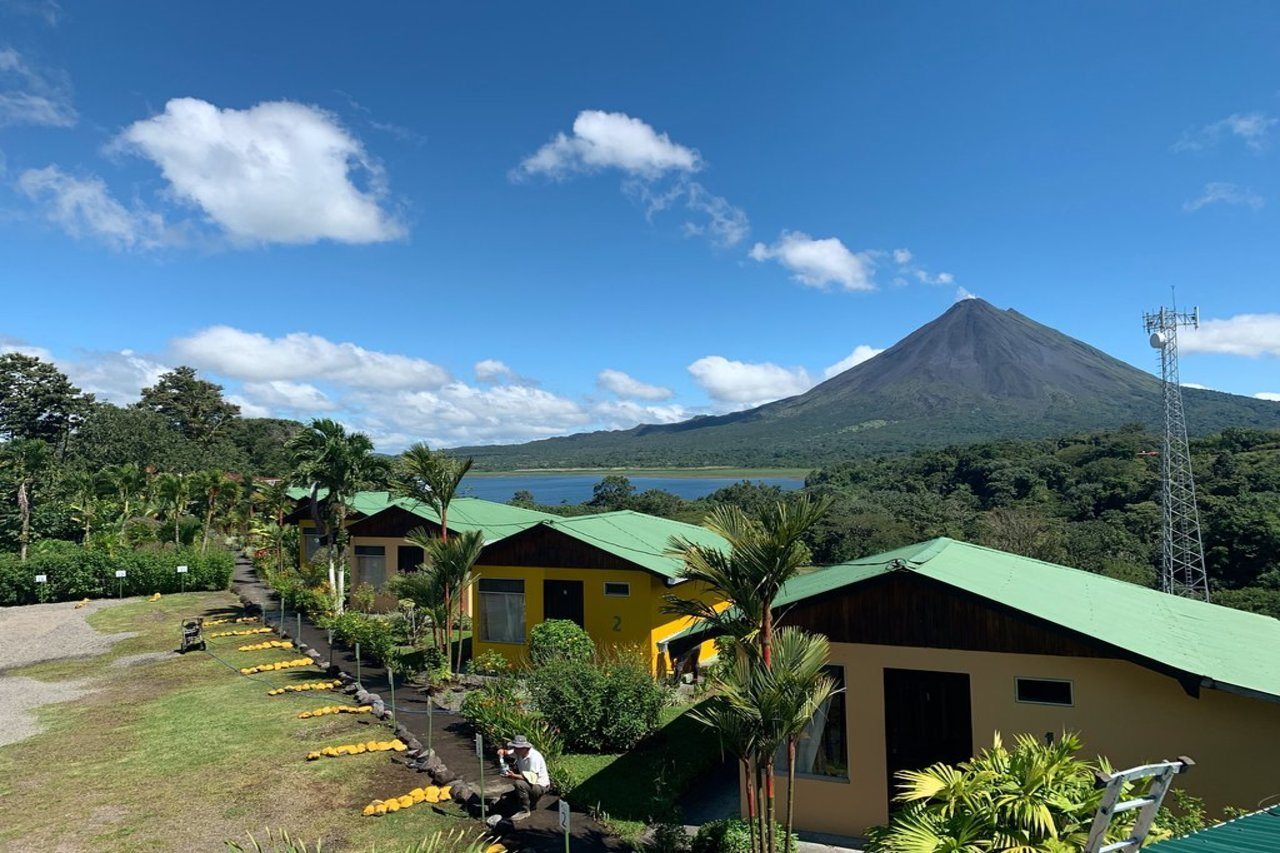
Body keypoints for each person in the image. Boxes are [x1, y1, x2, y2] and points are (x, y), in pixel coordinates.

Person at [497, 735, 550, 820]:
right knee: (505, 798)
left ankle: (525, 811)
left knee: (519, 783)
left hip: (539, 785)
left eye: (517, 748)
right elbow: (507, 752)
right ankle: (529, 802)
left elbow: (533, 778)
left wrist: (513, 776)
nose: (515, 749)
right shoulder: (518, 752)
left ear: (525, 748)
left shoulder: (534, 757)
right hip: (529, 783)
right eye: (514, 747)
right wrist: (502, 751)